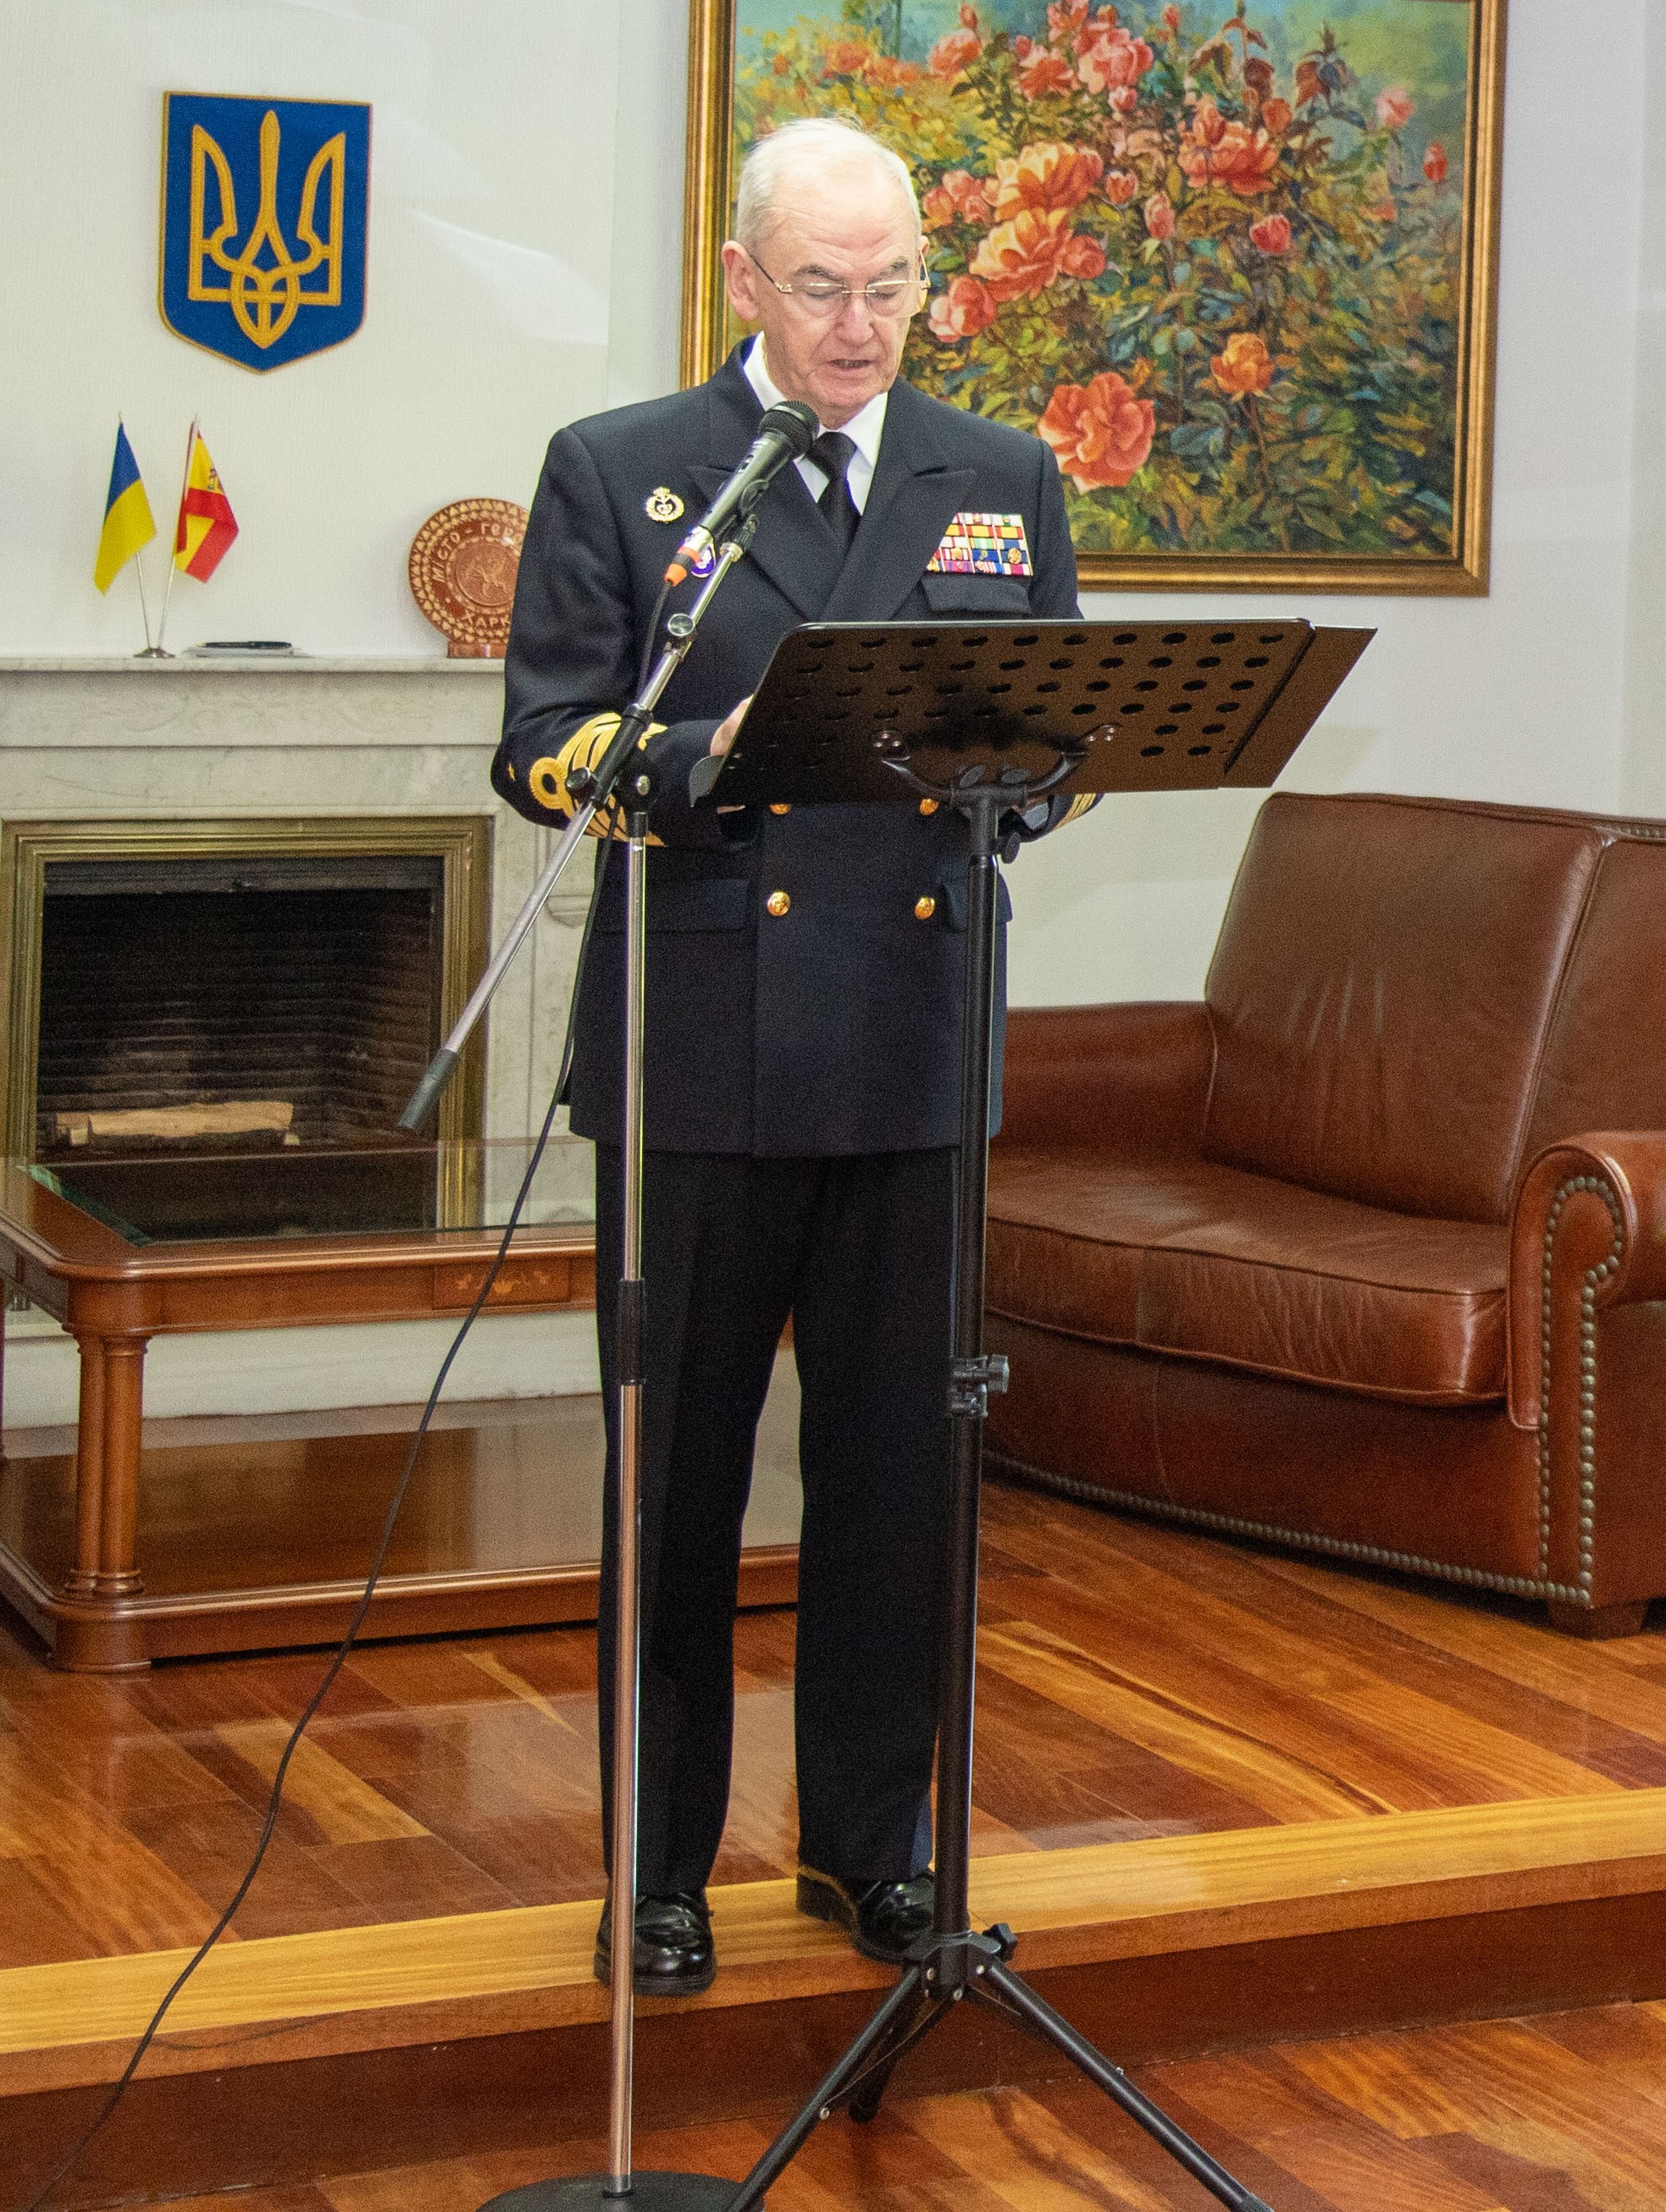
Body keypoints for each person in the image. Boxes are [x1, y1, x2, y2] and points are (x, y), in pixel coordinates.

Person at [496, 113, 1084, 1995]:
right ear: (742, 278)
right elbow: (542, 747)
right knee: (672, 1486)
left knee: (897, 1481)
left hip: (913, 1052)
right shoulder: (630, 471)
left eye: (893, 283)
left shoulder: (994, 472)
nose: (860, 325)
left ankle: (869, 1854)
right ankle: (660, 1872)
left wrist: (1017, 773)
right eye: (822, 286)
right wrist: (717, 750)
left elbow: (1051, 739)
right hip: (705, 1054)